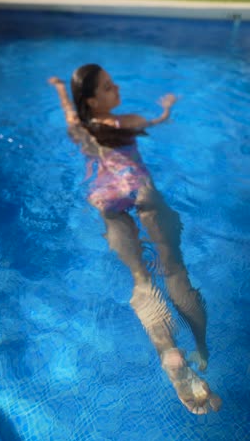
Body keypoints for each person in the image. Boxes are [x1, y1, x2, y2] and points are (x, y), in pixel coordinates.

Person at [48, 64, 221, 414]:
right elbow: (155, 122)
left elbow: (69, 112)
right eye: (110, 87)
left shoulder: (80, 129)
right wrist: (167, 110)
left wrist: (60, 91)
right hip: (139, 189)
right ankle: (201, 347)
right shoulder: (125, 121)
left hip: (106, 197)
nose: (118, 90)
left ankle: (170, 356)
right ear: (95, 99)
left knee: (141, 282)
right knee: (174, 272)